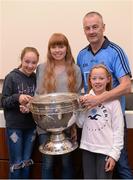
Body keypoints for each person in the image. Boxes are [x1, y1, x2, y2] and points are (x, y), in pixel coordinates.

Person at [77, 11, 133, 179]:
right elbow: (83, 88)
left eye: (95, 27)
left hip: (111, 120)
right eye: (88, 28)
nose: (92, 31)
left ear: (103, 28)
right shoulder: (81, 55)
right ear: (84, 31)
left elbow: (127, 86)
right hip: (91, 123)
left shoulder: (116, 51)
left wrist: (98, 99)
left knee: (121, 165)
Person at [35, 33, 82, 179]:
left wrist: (73, 125)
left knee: (67, 162)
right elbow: (37, 95)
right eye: (53, 47)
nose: (57, 50)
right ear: (49, 49)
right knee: (47, 163)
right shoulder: (41, 68)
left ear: (66, 48)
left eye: (61, 46)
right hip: (44, 124)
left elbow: (78, 100)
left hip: (66, 124)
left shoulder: (75, 70)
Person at [76, 64, 124, 179]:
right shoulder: (85, 99)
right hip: (87, 149)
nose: (97, 82)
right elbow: (80, 123)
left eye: (101, 78)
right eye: (94, 78)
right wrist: (81, 108)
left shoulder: (114, 102)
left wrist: (114, 155)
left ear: (108, 79)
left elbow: (118, 130)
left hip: (106, 151)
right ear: (90, 80)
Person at [1, 47, 39, 179]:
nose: (30, 65)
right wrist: (18, 97)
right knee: (16, 163)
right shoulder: (11, 77)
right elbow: (4, 101)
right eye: (27, 61)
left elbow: (37, 99)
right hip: (15, 127)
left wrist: (30, 106)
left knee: (27, 162)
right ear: (21, 60)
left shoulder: (35, 78)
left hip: (31, 126)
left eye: (34, 63)